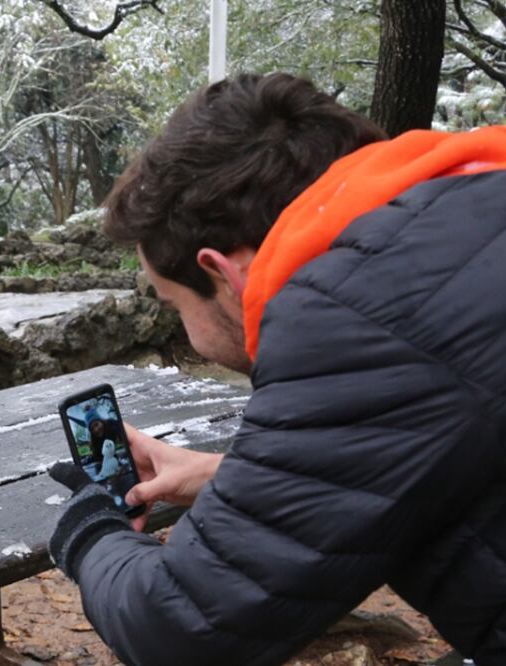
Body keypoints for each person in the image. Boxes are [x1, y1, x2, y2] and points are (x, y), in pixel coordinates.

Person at [47, 72, 506, 665]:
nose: (182, 325)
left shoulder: (356, 314)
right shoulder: (465, 219)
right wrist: (227, 475)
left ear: (222, 273)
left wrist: (88, 535)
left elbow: (184, 631)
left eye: (175, 305)